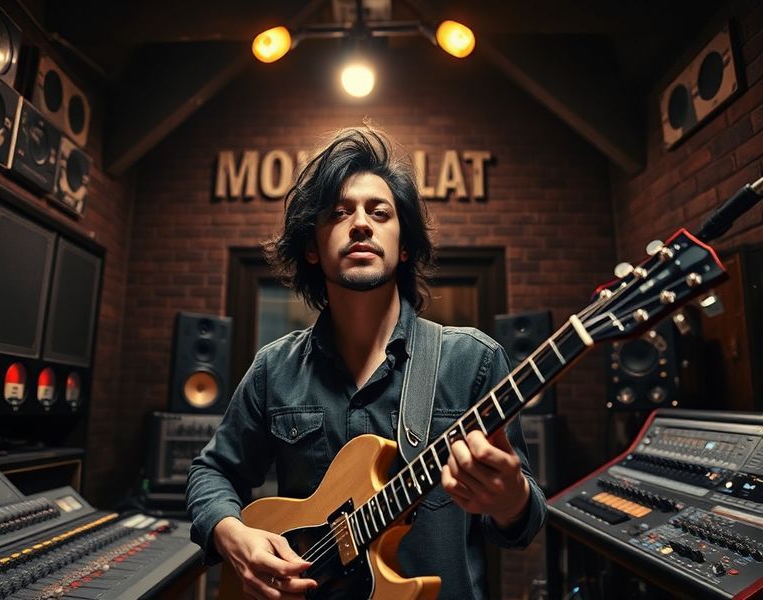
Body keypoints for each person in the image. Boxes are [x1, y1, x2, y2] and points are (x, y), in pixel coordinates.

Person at [186, 125, 547, 599]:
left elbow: (522, 525)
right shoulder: (274, 368)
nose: (360, 223)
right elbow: (211, 472)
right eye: (339, 212)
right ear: (312, 248)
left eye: (380, 212)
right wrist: (231, 534)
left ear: (403, 249)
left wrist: (510, 499)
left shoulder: (472, 361)